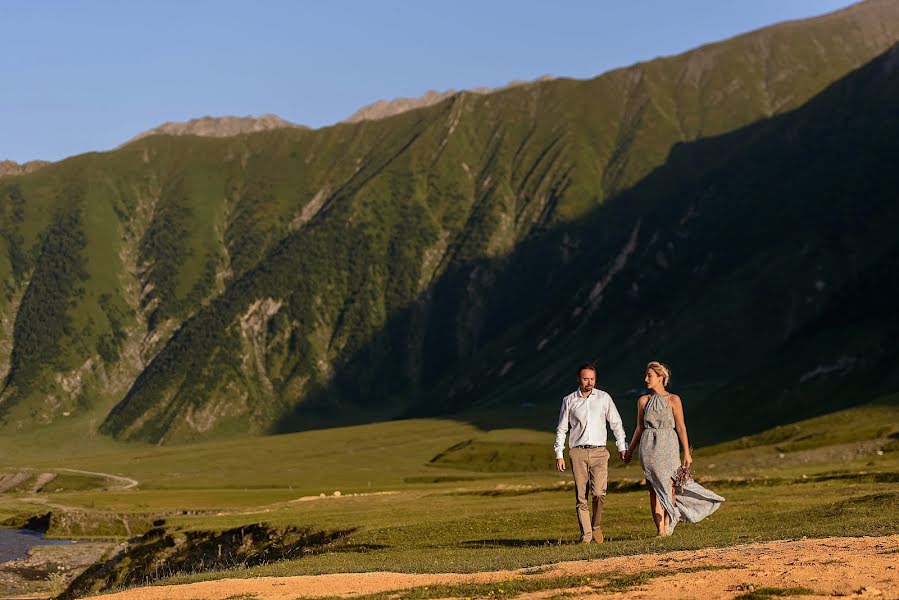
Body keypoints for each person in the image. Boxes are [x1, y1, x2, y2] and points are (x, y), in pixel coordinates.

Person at [624, 361, 724, 536]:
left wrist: (686, 452)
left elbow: (681, 427)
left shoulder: (673, 399)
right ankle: (660, 530)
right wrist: (630, 449)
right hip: (649, 447)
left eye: (650, 375)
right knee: (654, 488)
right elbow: (639, 428)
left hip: (669, 444)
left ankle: (669, 524)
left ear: (661, 378)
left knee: (671, 486)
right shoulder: (643, 401)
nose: (646, 378)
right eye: (646, 375)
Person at [554, 362, 628, 544]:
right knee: (581, 496)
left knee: (599, 493)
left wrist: (622, 446)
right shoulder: (569, 400)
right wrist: (559, 453)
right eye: (586, 379)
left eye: (592, 379)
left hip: (599, 452)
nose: (589, 382)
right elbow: (562, 428)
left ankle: (596, 526)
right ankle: (586, 535)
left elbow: (616, 423)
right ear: (579, 379)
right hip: (578, 452)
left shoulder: (604, 398)